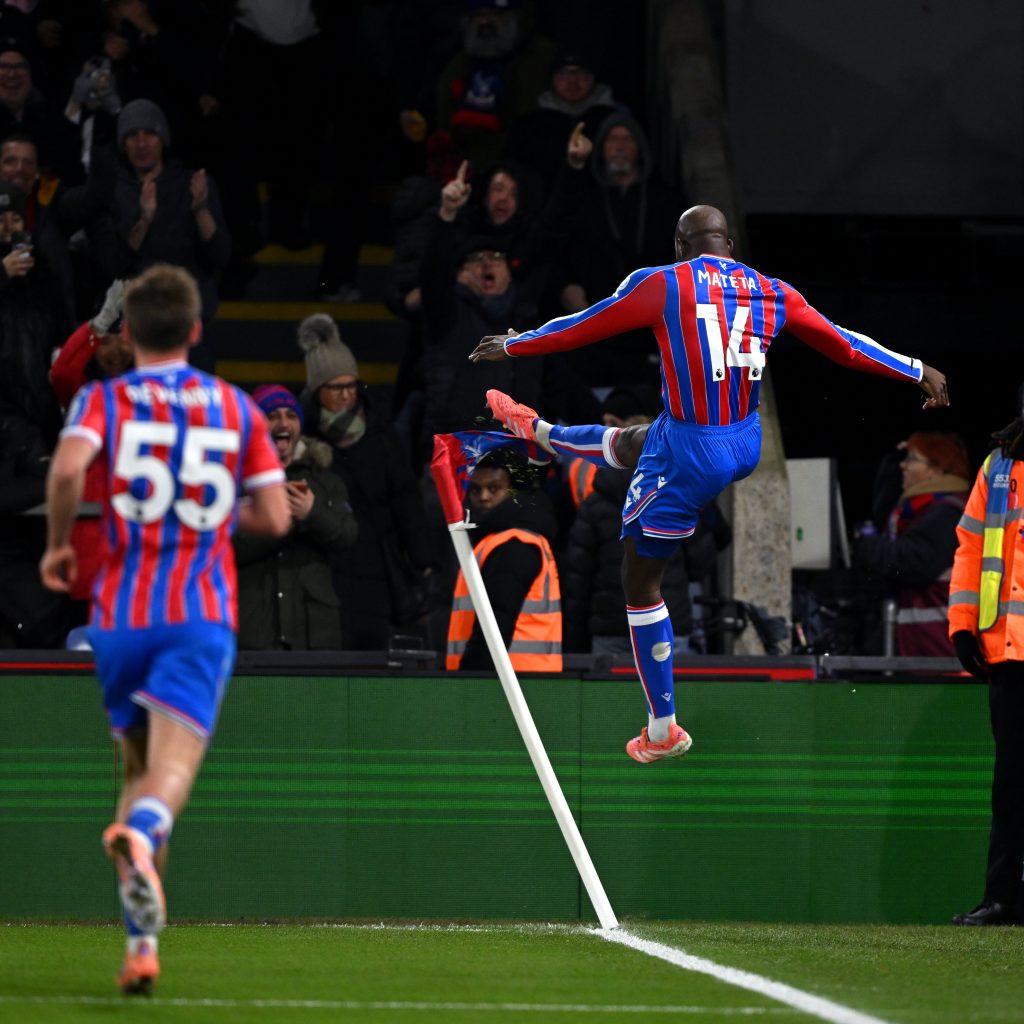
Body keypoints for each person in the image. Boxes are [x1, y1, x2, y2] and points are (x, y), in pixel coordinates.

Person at [471, 203, 949, 763]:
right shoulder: (771, 289)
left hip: (695, 451)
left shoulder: (662, 284)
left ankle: (662, 729)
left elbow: (585, 325)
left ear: (681, 247)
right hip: (744, 439)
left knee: (638, 581)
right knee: (635, 441)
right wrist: (916, 369)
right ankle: (538, 429)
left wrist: (515, 343)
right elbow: (842, 344)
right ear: (728, 245)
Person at [38, 263, 289, 993]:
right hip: (196, 614)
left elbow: (64, 473)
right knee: (170, 779)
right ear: (196, 329)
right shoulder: (233, 406)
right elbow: (274, 518)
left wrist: (58, 544)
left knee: (137, 771)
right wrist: (212, 520)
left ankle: (141, 945)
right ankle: (144, 837)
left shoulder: (103, 398)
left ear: (131, 332)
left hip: (117, 616)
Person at [297, 313, 435, 649]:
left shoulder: (380, 433)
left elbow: (404, 496)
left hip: (376, 562)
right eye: (336, 387)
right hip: (326, 567)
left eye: (351, 385)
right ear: (317, 390)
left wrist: (422, 557)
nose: (346, 395)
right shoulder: (305, 440)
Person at [947, 385, 1024, 926]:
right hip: (1007, 652)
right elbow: (972, 544)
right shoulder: (999, 463)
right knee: (1012, 784)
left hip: (1007, 649)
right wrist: (961, 626)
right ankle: (1002, 899)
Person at [234, 383, 359, 651]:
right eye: (272, 415)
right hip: (253, 630)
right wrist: (281, 521)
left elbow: (348, 537)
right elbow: (226, 548)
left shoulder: (325, 481)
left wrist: (312, 513)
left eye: (291, 416)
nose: (283, 423)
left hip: (315, 633)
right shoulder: (234, 481)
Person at [854, 432, 970, 657]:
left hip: (940, 650)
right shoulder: (919, 511)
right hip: (926, 644)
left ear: (936, 470)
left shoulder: (949, 513)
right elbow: (883, 506)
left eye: (912, 459)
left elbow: (913, 561)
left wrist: (867, 545)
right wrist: (891, 458)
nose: (903, 466)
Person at [448, 444, 561, 671]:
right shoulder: (501, 539)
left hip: (507, 685)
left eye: (494, 488)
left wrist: (469, 679)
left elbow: (496, 625)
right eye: (476, 489)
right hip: (520, 681)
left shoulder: (514, 544)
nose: (483, 497)